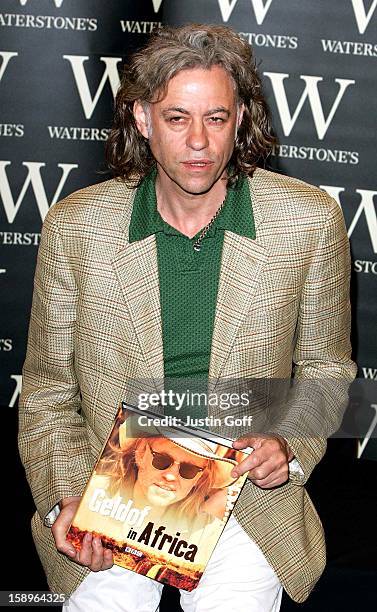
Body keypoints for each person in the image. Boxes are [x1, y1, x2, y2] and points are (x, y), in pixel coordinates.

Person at [18, 23, 356, 612]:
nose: (198, 142)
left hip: (246, 494)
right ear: (144, 121)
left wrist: (290, 444)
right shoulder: (77, 226)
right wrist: (65, 499)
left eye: (217, 118)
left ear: (242, 119)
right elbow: (48, 388)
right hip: (113, 490)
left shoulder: (308, 222)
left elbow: (327, 370)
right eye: (177, 118)